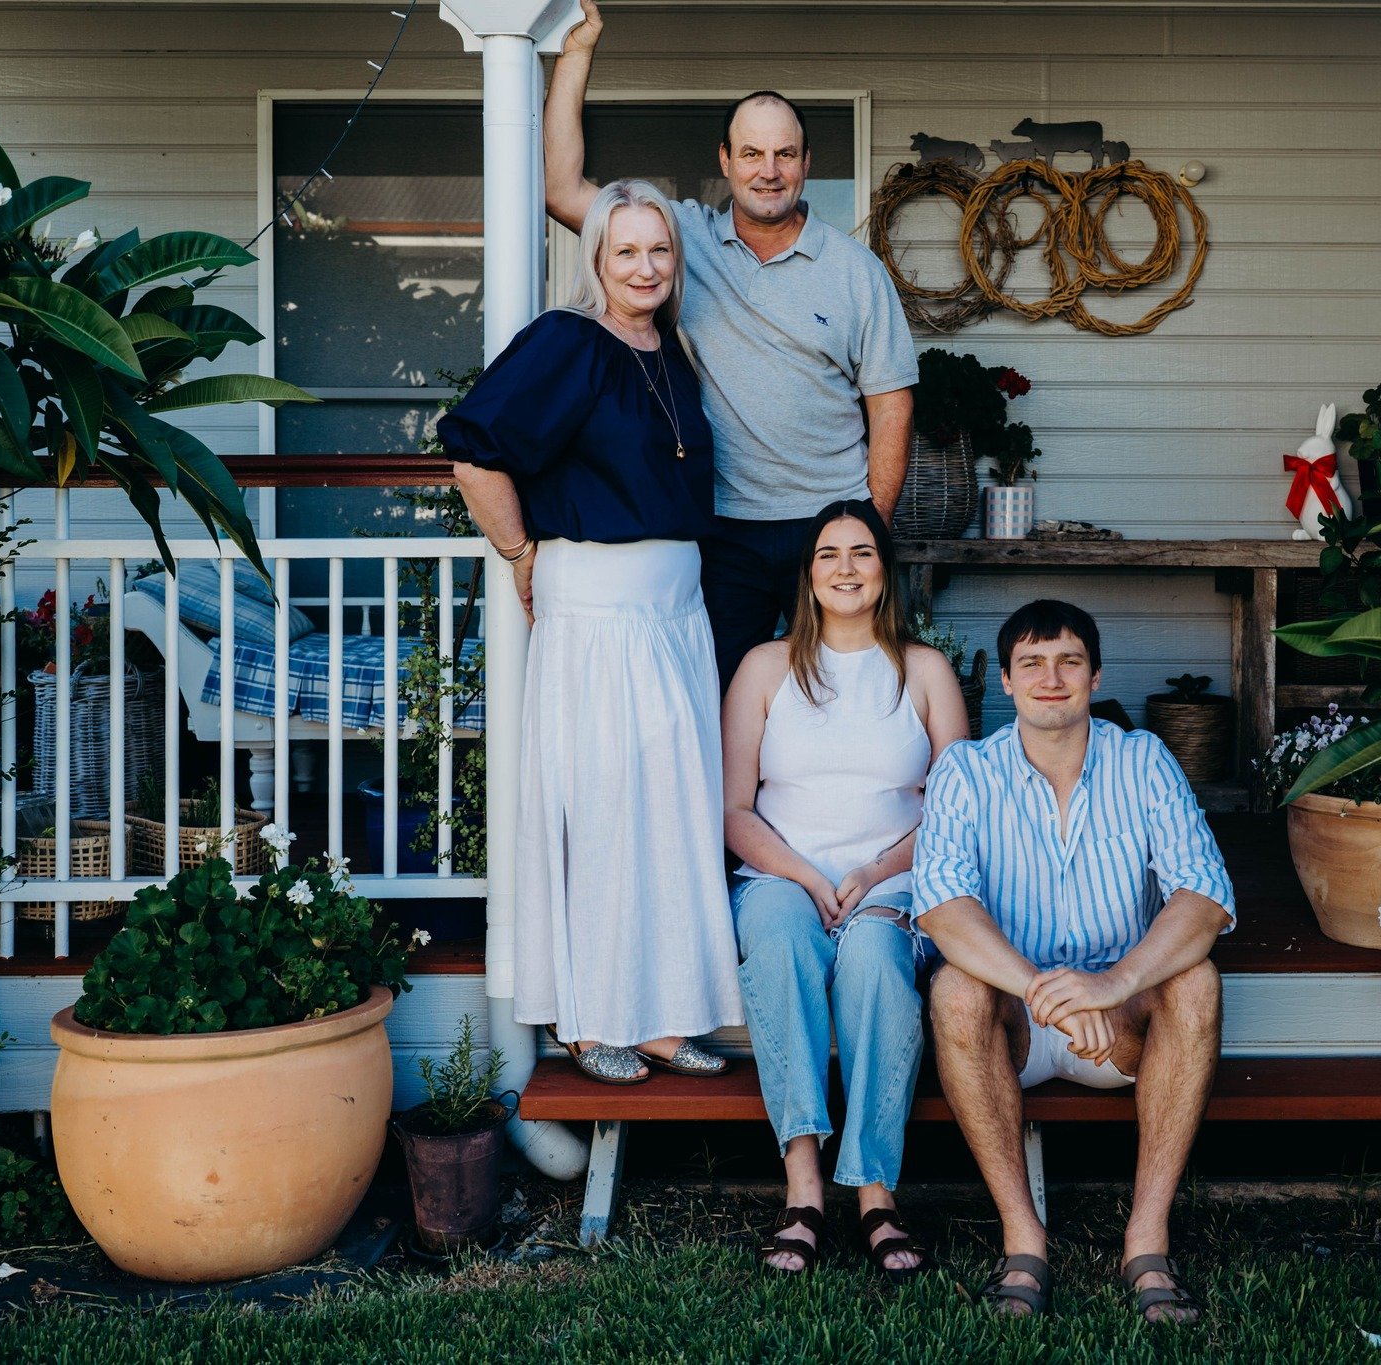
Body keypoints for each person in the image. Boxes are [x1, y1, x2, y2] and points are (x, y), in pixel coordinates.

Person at [443, 179, 742, 1085]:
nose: (645, 267)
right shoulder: (568, 340)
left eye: (660, 251)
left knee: (669, 815)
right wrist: (519, 549)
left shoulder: (670, 348)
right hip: (602, 613)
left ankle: (656, 1016)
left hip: (673, 615)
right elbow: (474, 448)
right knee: (607, 813)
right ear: (597, 261)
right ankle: (588, 1018)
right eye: (626, 252)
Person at [544, 1, 919, 686]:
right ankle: (728, 801)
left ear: (806, 162)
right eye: (751, 153)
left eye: (784, 153)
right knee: (713, 695)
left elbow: (890, 405)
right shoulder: (679, 243)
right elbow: (562, 189)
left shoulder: (856, 272)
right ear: (726, 160)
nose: (768, 170)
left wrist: (869, 528)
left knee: (850, 687)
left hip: (828, 521)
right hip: (721, 527)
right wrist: (577, 53)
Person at [912, 601, 1235, 1324]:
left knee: (1196, 979)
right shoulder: (966, 770)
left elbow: (1205, 897)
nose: (1050, 678)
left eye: (1068, 661)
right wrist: (1045, 991)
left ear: (1094, 676)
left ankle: (1146, 1239)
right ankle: (1023, 1239)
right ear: (1005, 680)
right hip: (1013, 1024)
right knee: (955, 988)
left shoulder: (1142, 759)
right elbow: (940, 906)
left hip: (1116, 1023)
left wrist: (1111, 984)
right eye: (1032, 662)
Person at [722, 501, 969, 1280]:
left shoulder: (924, 670)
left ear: (884, 572)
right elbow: (733, 808)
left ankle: (874, 1192)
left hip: (892, 879)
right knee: (784, 939)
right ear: (809, 574)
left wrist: (871, 873)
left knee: (872, 961)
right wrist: (805, 873)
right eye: (829, 554)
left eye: (863, 552)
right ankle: (803, 1187)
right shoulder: (766, 666)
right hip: (780, 874)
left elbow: (958, 810)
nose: (846, 567)